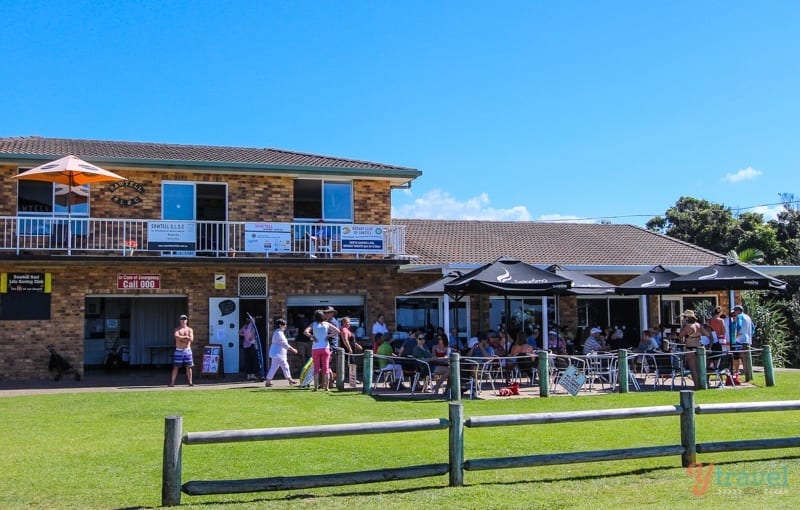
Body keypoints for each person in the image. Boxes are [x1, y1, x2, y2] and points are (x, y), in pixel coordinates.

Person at [303, 309, 340, 391]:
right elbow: (337, 331)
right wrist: (329, 335)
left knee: (316, 368)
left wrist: (312, 336)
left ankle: (315, 387)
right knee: (326, 368)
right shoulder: (326, 324)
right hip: (325, 348)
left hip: (316, 348)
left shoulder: (313, 324)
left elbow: (305, 332)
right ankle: (326, 387)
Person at [265, 318, 298, 387]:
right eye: (284, 325)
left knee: (276, 367)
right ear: (280, 325)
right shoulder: (279, 333)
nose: (285, 326)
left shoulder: (279, 332)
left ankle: (268, 381)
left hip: (278, 353)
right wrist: (292, 349)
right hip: (278, 353)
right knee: (283, 366)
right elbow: (284, 343)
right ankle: (290, 380)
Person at [678, 310, 702, 388]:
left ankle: (697, 385)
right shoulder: (698, 325)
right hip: (699, 348)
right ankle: (701, 384)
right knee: (699, 368)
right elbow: (708, 334)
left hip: (690, 349)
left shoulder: (688, 327)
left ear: (687, 318)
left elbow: (680, 336)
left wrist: (682, 325)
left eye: (684, 317)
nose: (683, 319)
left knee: (693, 369)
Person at [169, 314, 194, 387]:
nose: (183, 320)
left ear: (187, 320)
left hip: (187, 350)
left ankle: (190, 382)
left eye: (185, 319)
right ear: (179, 320)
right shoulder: (177, 329)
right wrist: (186, 337)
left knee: (189, 367)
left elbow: (191, 339)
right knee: (176, 367)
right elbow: (176, 336)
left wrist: (181, 339)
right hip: (179, 351)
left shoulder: (190, 329)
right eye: (182, 319)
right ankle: (172, 382)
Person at [731, 304, 754, 381]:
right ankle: (748, 375)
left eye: (735, 311)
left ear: (738, 311)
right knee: (746, 358)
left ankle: (738, 373)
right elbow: (753, 328)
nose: (734, 313)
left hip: (740, 340)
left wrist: (737, 333)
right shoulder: (748, 317)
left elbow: (739, 325)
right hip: (747, 340)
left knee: (737, 356)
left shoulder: (739, 316)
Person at [339, 316, 363, 387]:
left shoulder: (347, 330)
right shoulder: (344, 330)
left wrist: (357, 345)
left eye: (349, 322)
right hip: (347, 351)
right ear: (343, 323)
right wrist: (349, 348)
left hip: (352, 351)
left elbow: (351, 340)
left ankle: (352, 379)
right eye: (347, 322)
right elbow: (345, 340)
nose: (349, 324)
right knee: (351, 365)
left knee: (352, 364)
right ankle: (352, 380)